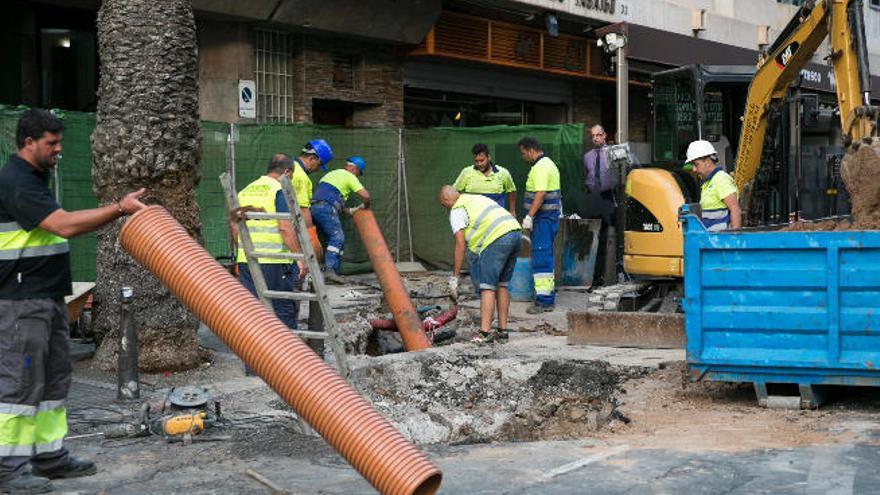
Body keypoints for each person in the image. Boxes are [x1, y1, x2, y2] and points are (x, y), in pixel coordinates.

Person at [0, 109, 146, 493]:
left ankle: (49, 456)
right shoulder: (16, 181)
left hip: (45, 299)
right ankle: (8, 468)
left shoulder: (35, 178)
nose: (58, 149)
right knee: (19, 384)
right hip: (20, 303)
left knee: (53, 380)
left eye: (59, 141)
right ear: (28, 142)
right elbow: (62, 225)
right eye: (51, 143)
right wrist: (118, 208)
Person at [234, 154, 310, 335]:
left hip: (247, 260)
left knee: (253, 313)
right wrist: (298, 257)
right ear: (286, 172)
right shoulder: (279, 190)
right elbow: (284, 227)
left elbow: (234, 226)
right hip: (274, 261)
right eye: (290, 176)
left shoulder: (245, 190)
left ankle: (254, 361)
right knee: (281, 311)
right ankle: (285, 358)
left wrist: (239, 253)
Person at [439, 186, 521, 343]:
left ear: (447, 200)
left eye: (444, 206)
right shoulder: (474, 198)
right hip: (515, 232)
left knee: (487, 287)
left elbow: (460, 245)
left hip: (496, 238)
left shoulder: (457, 210)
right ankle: (502, 331)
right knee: (502, 285)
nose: (445, 209)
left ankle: (484, 333)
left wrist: (455, 277)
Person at [518, 136, 562, 314]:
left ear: (530, 150)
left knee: (542, 258)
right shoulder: (545, 164)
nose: (523, 157)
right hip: (545, 218)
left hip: (544, 218)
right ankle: (546, 296)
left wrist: (529, 216)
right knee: (544, 257)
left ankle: (544, 301)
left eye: (523, 153)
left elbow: (541, 193)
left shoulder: (542, 167)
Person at [310, 156, 370, 283]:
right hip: (326, 207)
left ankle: (333, 274)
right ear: (354, 169)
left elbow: (341, 208)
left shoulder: (332, 175)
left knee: (330, 240)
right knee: (338, 238)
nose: (357, 177)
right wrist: (366, 205)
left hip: (315, 208)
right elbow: (365, 195)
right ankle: (330, 271)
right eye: (358, 174)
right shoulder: (349, 176)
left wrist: (354, 210)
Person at [685, 140, 741, 231]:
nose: (694, 169)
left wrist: (734, 240)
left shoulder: (721, 179)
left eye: (696, 164)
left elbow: (735, 210)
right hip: (713, 241)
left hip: (721, 242)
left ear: (707, 161)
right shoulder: (708, 182)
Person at [452, 143, 517, 217]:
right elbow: (454, 192)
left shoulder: (503, 173)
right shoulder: (466, 172)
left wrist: (512, 211)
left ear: (488, 157)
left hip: (496, 219)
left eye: (482, 160)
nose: (479, 164)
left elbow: (511, 191)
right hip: (473, 219)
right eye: (476, 161)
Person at [582, 125, 617, 225]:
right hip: (592, 195)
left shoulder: (612, 153)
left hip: (607, 194)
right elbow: (586, 174)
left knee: (607, 228)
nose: (595, 138)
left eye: (598, 135)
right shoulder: (587, 156)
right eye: (593, 136)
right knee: (592, 227)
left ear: (604, 135)